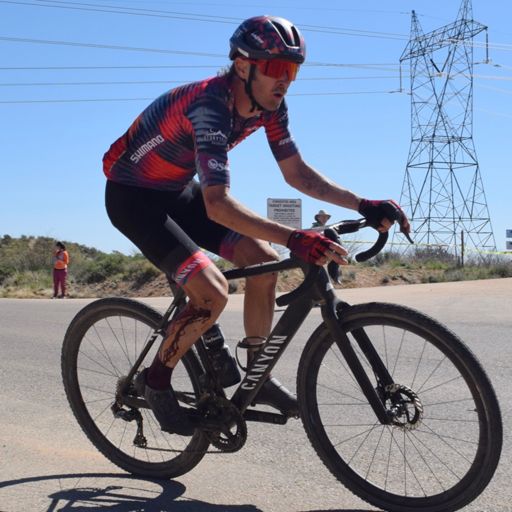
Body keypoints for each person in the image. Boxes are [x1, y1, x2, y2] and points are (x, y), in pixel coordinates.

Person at [103, 15, 410, 435]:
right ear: (244, 66)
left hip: (176, 190)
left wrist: (363, 203)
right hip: (133, 198)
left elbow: (297, 173)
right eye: (277, 68)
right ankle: (155, 381)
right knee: (212, 292)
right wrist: (294, 237)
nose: (285, 80)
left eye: (293, 70)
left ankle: (256, 377)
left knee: (264, 263)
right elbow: (217, 205)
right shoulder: (209, 106)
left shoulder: (271, 107)